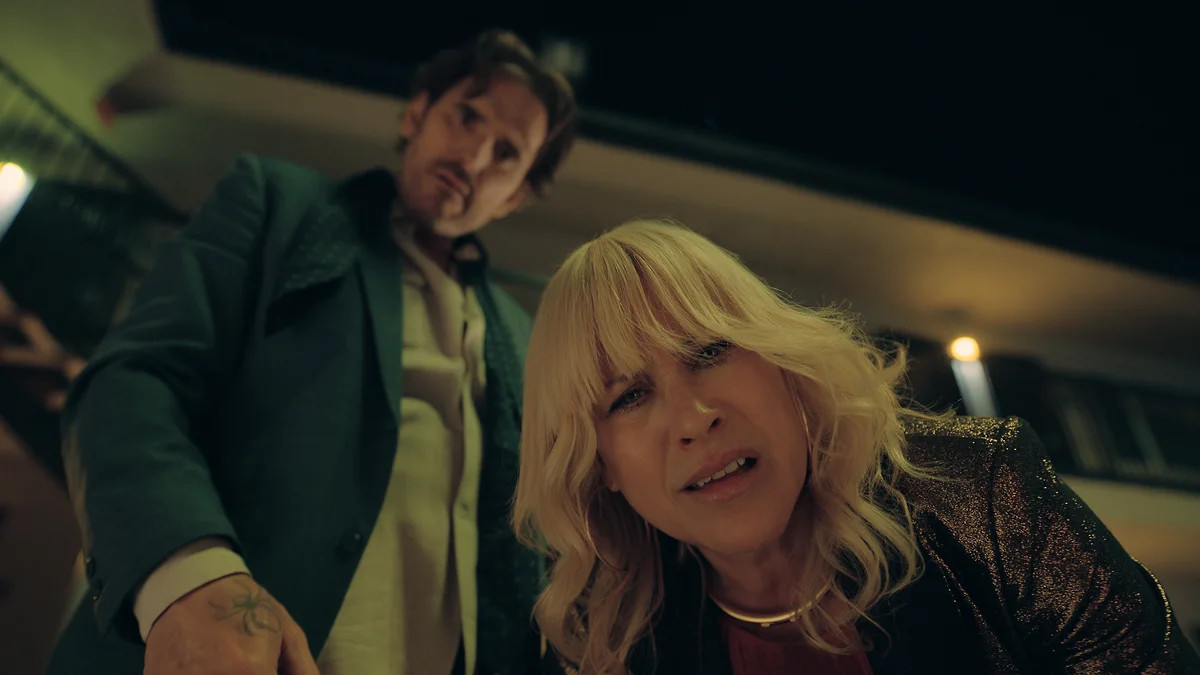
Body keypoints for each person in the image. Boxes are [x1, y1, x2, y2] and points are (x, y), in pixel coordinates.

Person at [49, 29, 577, 675]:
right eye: (466, 116)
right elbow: (131, 381)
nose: (473, 156)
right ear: (416, 114)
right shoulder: (279, 207)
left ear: (516, 195)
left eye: (506, 153)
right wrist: (189, 576)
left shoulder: (526, 338)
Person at [513, 219, 1200, 674]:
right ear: (600, 464)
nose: (694, 418)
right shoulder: (600, 641)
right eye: (630, 396)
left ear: (782, 364)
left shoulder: (981, 492)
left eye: (711, 351)